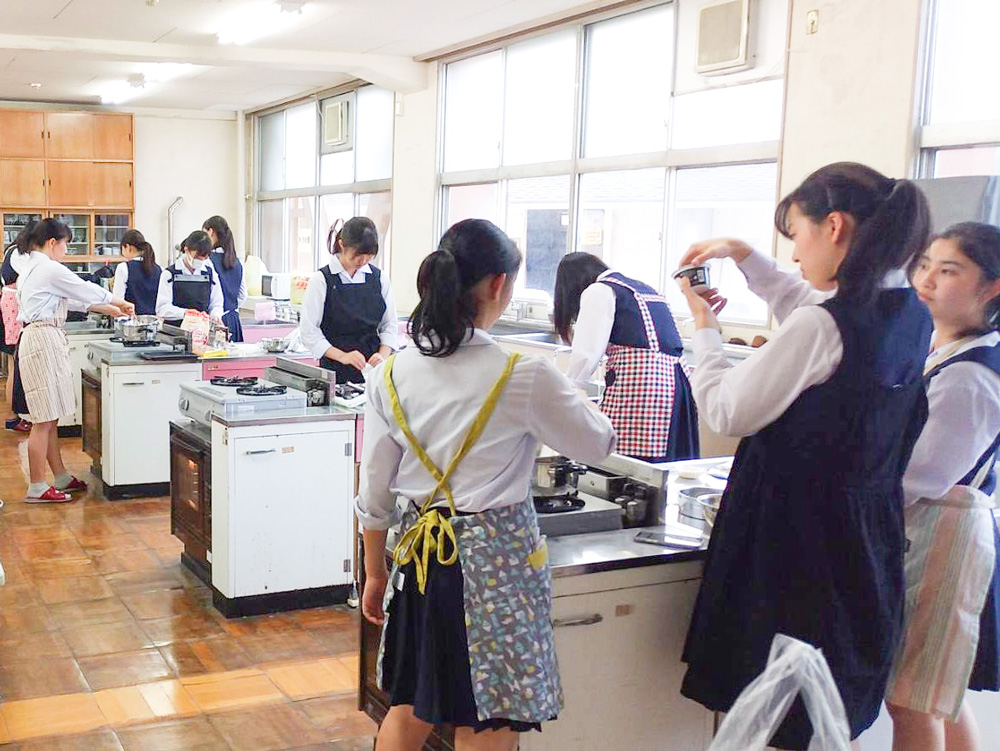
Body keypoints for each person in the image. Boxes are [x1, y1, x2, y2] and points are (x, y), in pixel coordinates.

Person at [675, 162, 933, 750]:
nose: (794, 256)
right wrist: (744, 256)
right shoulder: (908, 312)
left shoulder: (823, 324)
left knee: (777, 706)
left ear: (834, 226)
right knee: (826, 704)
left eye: (797, 236)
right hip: (862, 538)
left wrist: (705, 330)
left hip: (794, 542)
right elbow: (812, 308)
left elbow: (726, 412)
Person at [356, 219, 616, 751]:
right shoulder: (523, 374)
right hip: (497, 573)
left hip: (422, 564)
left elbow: (374, 491)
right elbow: (598, 444)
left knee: (410, 706)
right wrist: (573, 385)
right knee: (491, 719)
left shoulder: (391, 374)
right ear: (499, 285)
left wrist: (375, 572)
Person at [884, 222, 1000, 751]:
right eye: (925, 264)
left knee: (912, 697)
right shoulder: (948, 349)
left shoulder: (972, 373)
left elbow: (924, 476)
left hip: (942, 533)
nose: (927, 279)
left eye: (949, 270)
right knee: (934, 691)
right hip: (933, 528)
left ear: (991, 286)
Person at [12, 219, 133, 502]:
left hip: (42, 339)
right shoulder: (48, 268)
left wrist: (110, 309)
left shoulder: (34, 267)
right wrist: (118, 302)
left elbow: (74, 300)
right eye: (66, 244)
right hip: (42, 341)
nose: (66, 250)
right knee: (43, 419)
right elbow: (83, 289)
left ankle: (61, 476)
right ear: (52, 242)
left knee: (50, 416)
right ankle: (37, 486)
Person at [553, 252, 699, 462]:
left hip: (643, 385)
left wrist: (569, 390)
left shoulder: (599, 290)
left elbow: (586, 354)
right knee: (668, 460)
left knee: (627, 466)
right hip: (677, 383)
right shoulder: (641, 288)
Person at [299, 217, 398, 384]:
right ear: (341, 245)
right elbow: (309, 331)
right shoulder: (322, 280)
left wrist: (382, 355)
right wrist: (343, 356)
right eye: (357, 256)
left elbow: (389, 325)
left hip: (373, 371)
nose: (363, 262)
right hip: (335, 370)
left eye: (369, 257)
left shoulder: (380, 279)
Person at [155, 230, 223, 325]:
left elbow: (216, 304)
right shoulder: (169, 274)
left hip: (201, 329)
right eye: (197, 257)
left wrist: (215, 315)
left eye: (204, 257)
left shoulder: (210, 274)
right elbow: (162, 309)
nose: (200, 260)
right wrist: (186, 313)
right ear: (186, 250)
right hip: (174, 329)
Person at [1, 233, 30, 432]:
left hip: (9, 307)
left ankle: (14, 416)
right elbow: (32, 277)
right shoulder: (18, 254)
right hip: (12, 310)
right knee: (14, 366)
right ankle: (12, 417)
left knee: (14, 366)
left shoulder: (11, 251)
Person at [203, 215, 246, 342]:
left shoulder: (207, 261)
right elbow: (243, 295)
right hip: (233, 319)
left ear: (210, 232)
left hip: (215, 321)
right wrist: (230, 306)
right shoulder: (237, 262)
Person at [112, 228, 161, 316]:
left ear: (128, 247)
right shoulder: (160, 269)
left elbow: (117, 301)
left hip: (131, 321)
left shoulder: (123, 268)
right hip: (155, 321)